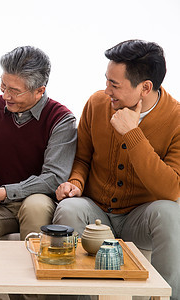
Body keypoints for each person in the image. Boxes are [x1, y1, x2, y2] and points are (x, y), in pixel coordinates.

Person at [53, 40, 180, 300]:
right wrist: (75, 183)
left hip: (140, 217)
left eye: (115, 84)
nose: (106, 90)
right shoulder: (96, 104)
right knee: (68, 209)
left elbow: (171, 189)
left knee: (170, 213)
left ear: (145, 87)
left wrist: (133, 134)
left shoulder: (176, 118)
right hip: (95, 210)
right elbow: (83, 159)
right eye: (106, 80)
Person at [0, 46, 77, 241]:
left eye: (14, 91)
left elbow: (54, 178)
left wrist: (3, 192)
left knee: (35, 206)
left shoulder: (61, 119)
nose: (5, 96)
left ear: (40, 90)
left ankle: (33, 271)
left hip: (37, 200)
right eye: (3, 86)